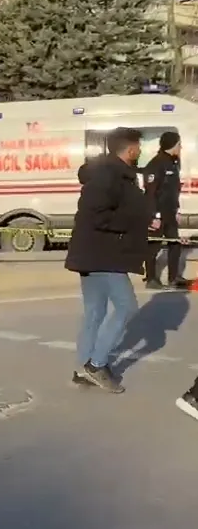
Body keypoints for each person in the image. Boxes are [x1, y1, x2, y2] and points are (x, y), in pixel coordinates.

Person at [64, 127, 153, 393]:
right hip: (105, 253)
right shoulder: (110, 174)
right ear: (130, 149)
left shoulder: (114, 173)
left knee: (95, 312)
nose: (140, 150)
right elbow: (94, 213)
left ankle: (83, 368)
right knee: (126, 307)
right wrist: (132, 222)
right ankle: (96, 365)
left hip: (94, 252)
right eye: (138, 146)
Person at [142, 131, 191, 289]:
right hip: (158, 213)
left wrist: (176, 210)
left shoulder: (173, 163)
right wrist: (154, 216)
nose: (180, 147)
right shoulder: (155, 164)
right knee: (153, 246)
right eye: (178, 144)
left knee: (175, 244)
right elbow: (150, 192)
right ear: (172, 145)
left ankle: (174, 278)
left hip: (170, 212)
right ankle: (151, 279)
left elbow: (173, 191)